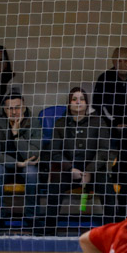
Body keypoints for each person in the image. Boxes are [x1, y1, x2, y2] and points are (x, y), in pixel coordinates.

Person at [48, 87, 110, 232]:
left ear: (87, 103)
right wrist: (70, 169)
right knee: (54, 188)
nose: (78, 102)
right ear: (69, 103)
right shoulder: (60, 123)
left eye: (81, 99)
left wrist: (90, 171)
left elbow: (104, 150)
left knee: (108, 190)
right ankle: (48, 230)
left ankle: (113, 231)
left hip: (94, 169)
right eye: (74, 99)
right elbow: (55, 152)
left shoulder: (98, 122)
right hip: (68, 169)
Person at [0, 93, 40, 232]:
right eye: (10, 108)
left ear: (24, 107)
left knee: (32, 174)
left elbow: (33, 155)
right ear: (4, 109)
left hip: (26, 166)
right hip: (5, 165)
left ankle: (31, 217)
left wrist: (16, 135)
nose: (14, 112)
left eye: (17, 107)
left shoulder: (33, 122)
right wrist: (16, 163)